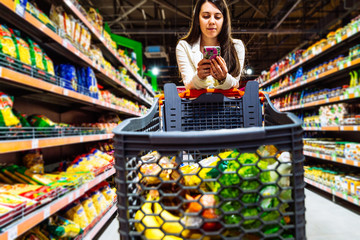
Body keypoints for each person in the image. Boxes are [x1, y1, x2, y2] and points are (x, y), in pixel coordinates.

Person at [176, 0, 245, 90]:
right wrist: (199, 77)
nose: (212, 21)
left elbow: (235, 83)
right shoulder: (184, 46)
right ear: (197, 19)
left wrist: (224, 79)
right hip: (196, 104)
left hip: (228, 104)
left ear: (224, 20)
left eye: (217, 17)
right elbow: (188, 85)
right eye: (206, 16)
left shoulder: (237, 46)